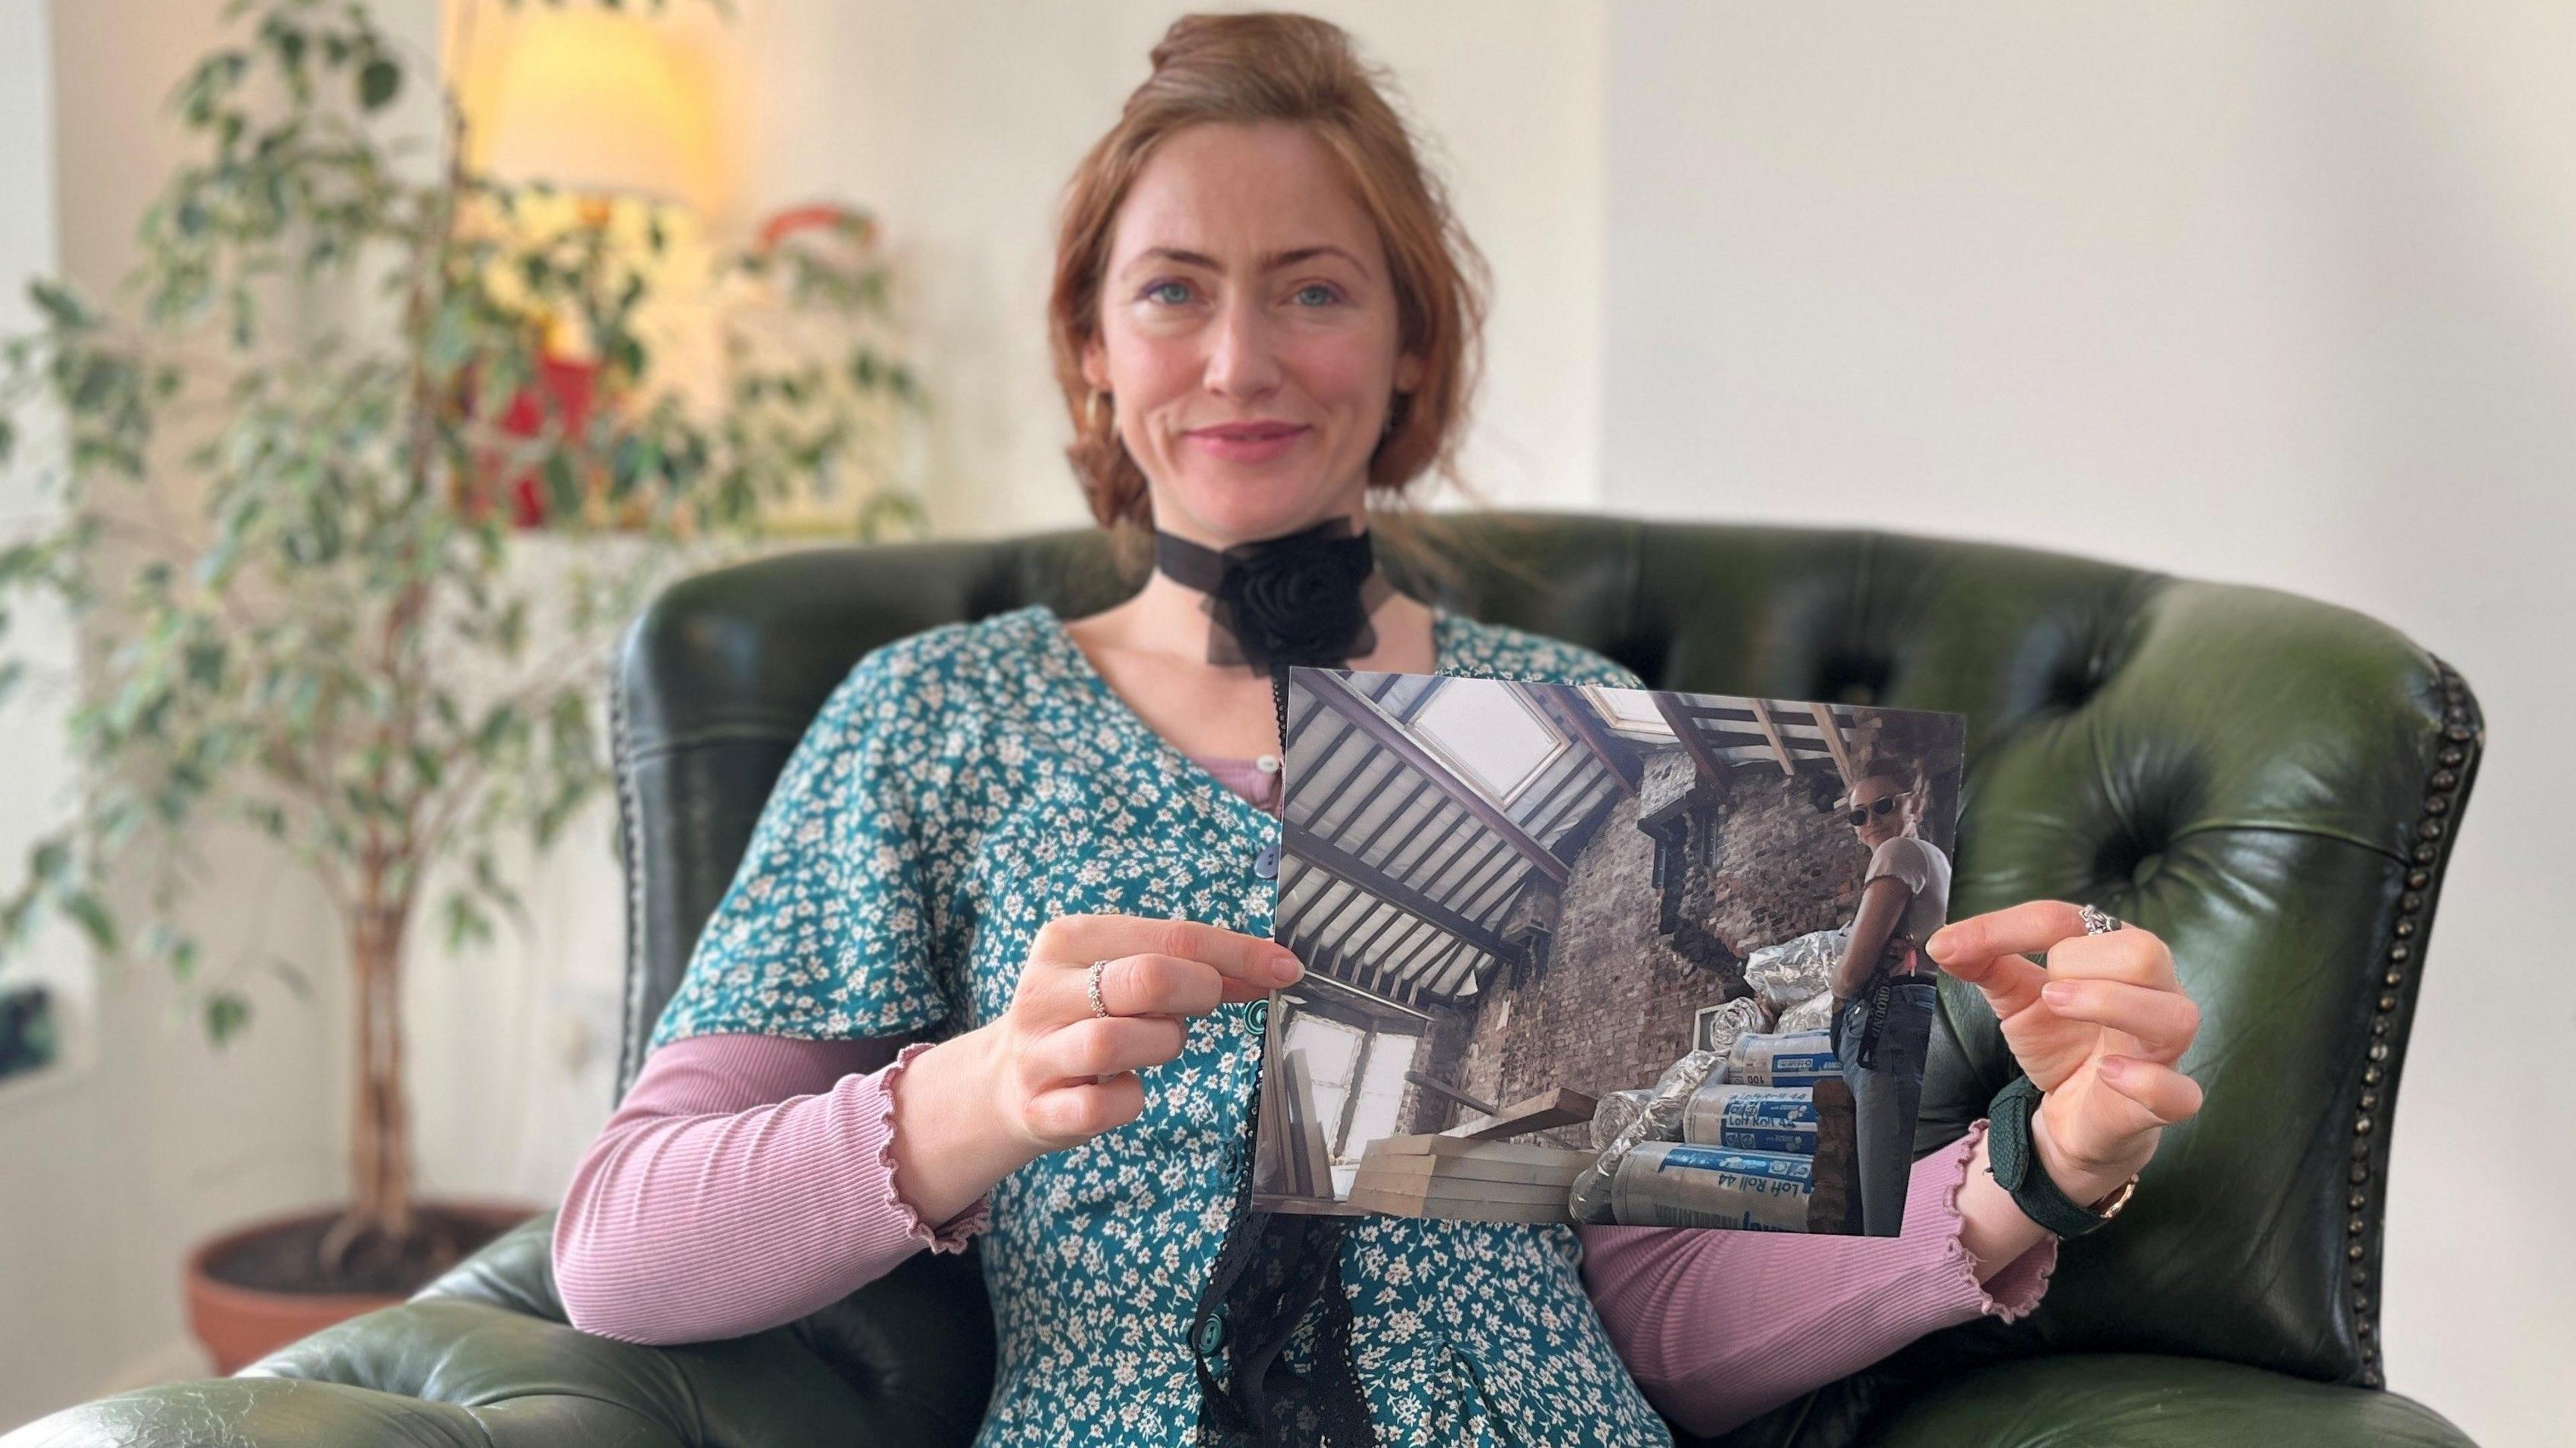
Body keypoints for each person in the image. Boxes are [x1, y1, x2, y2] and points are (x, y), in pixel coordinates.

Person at [551, 15, 2206, 1446]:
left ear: (1411, 343)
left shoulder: (1589, 725)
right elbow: (621, 1249)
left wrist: (2034, 1164)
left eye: (1313, 290)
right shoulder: (935, 715)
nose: (1238, 357)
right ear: (1087, 345)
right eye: (1172, 290)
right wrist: (982, 1092)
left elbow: (1667, 1306)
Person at [1825, 760, 1950, 1237]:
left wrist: (1837, 978)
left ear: (1912, 803)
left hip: (1887, 1023)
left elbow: (1852, 972)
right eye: (1859, 815)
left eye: (1883, 806)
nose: (1871, 822)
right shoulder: (1937, 859)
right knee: (1909, 1185)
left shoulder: (1899, 851)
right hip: (1913, 1017)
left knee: (1887, 1208)